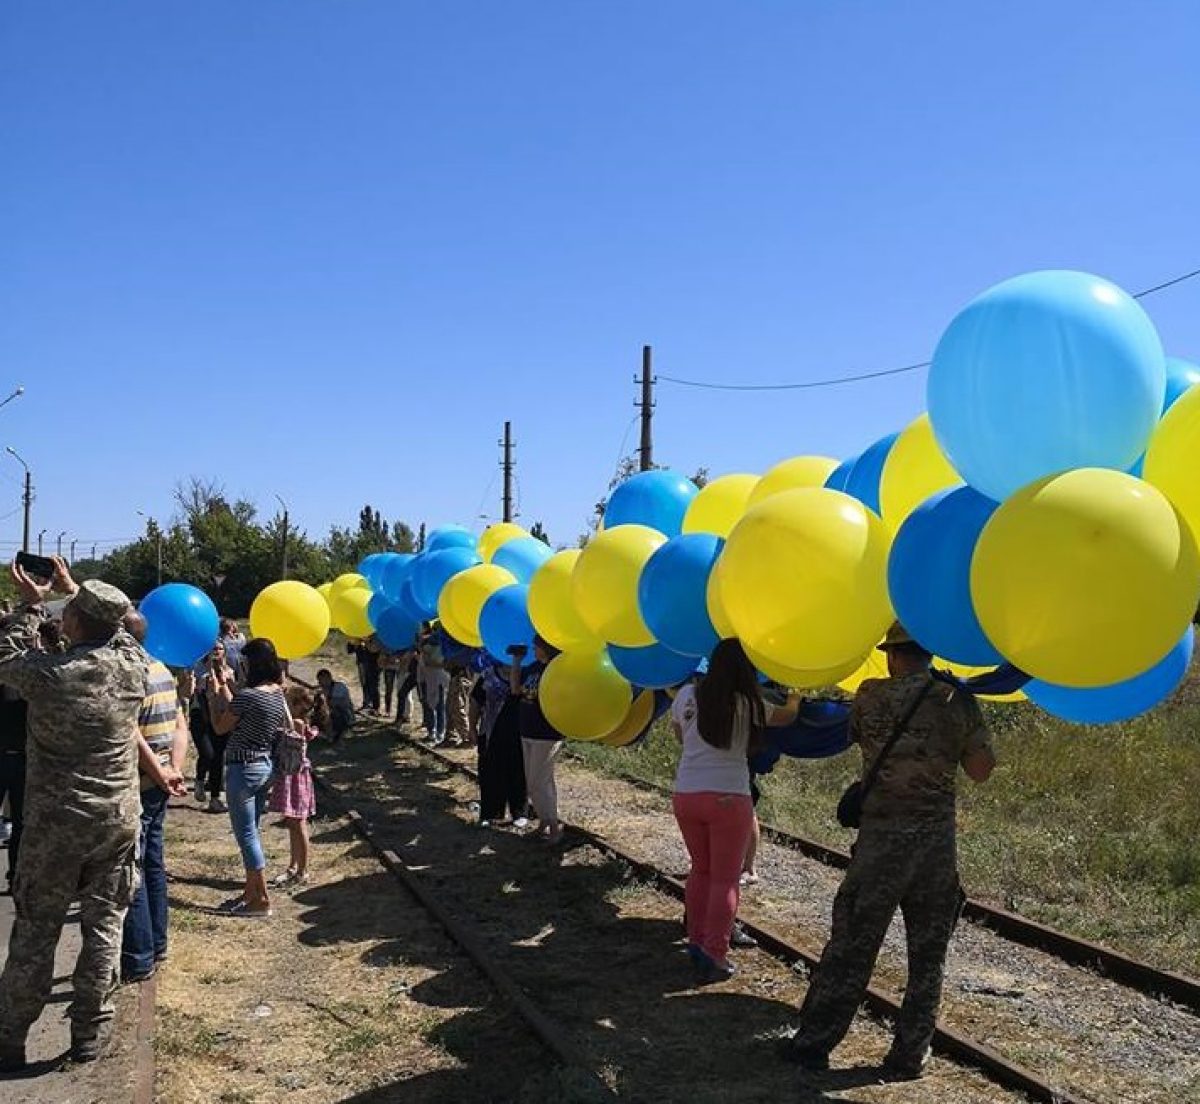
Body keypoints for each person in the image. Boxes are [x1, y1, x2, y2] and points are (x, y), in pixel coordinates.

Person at [782, 623, 995, 1080]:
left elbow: (856, 737)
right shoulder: (957, 700)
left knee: (852, 947)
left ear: (895, 655)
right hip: (935, 850)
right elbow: (980, 770)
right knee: (928, 956)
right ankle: (909, 1056)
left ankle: (814, 1045)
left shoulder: (870, 696)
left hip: (880, 845)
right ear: (930, 654)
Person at [0, 559, 149, 1070]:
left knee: (37, 930)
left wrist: (30, 605)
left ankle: (10, 1038)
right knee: (105, 925)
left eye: (71, 613)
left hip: (54, 826)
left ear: (78, 623)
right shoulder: (134, 668)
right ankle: (89, 1032)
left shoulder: (49, 676)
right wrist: (73, 591)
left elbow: (4, 657)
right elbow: (127, 629)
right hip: (115, 820)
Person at [670, 638, 764, 984]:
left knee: (701, 871)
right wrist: (797, 696)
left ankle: (696, 943)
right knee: (726, 878)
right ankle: (715, 954)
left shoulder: (686, 695)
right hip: (729, 798)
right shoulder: (749, 703)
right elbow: (787, 718)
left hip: (687, 794)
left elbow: (681, 736)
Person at [120, 611, 189, 983]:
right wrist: (173, 770)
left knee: (133, 871)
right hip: (161, 782)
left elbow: (131, 732)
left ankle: (138, 956)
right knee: (155, 864)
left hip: (143, 783)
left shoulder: (130, 676)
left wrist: (158, 773)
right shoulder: (161, 669)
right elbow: (181, 723)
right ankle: (157, 943)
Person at [207, 637, 289, 919]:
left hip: (242, 769)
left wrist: (212, 696)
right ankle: (250, 891)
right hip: (264, 765)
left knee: (246, 835)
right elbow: (242, 707)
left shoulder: (249, 696)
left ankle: (261, 898)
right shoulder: (278, 692)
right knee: (252, 830)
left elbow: (220, 727)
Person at [268, 686, 325, 887]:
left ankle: (303, 869)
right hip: (291, 776)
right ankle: (293, 865)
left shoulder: (298, 723)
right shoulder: (297, 722)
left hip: (296, 777)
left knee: (299, 823)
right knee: (292, 822)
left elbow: (288, 733)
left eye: (290, 703)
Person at [513, 638, 564, 844]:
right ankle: (545, 822)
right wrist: (517, 661)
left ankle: (554, 827)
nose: (534, 649)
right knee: (538, 781)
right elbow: (516, 689)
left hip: (547, 734)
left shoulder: (556, 670)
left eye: (537, 647)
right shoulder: (533, 668)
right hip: (528, 731)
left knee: (538, 782)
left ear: (546, 648)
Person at [476, 660, 528, 827]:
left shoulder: (527, 675)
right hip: (490, 731)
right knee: (489, 773)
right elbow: (476, 701)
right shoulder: (488, 674)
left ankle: (519, 812)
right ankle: (489, 814)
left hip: (518, 733)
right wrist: (471, 727)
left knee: (518, 772)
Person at [191, 639, 233, 812]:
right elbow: (197, 691)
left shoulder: (229, 671)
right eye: (213, 648)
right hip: (201, 716)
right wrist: (209, 673)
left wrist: (224, 678)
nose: (216, 651)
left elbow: (232, 692)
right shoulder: (198, 669)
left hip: (221, 717)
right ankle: (200, 779)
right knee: (207, 753)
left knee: (218, 757)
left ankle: (215, 799)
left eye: (220, 648)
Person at [0, 685, 26, 895]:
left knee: (21, 824)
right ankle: (16, 877)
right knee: (20, 824)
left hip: (23, 759)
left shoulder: (31, 681)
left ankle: (16, 876)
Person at [419, 628, 449, 745]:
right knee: (429, 705)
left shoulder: (442, 649)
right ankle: (432, 731)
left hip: (438, 680)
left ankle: (439, 733)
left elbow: (433, 663)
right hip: (428, 679)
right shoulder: (427, 648)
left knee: (439, 706)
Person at [316, 668, 354, 743]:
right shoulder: (322, 690)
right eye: (319, 681)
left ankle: (334, 734)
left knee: (332, 713)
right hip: (332, 714)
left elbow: (336, 704)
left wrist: (324, 695)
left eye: (322, 680)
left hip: (344, 714)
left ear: (329, 678)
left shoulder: (339, 687)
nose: (320, 683)